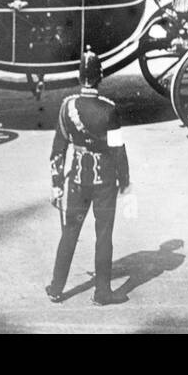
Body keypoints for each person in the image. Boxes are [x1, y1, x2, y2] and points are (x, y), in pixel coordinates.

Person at [46, 49, 131, 306]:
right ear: (100, 77)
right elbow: (118, 151)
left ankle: (56, 288)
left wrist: (56, 184)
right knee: (103, 235)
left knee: (69, 232)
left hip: (76, 182)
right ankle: (102, 292)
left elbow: (58, 149)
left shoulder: (67, 105)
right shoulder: (109, 109)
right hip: (104, 182)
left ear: (79, 76)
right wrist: (125, 182)